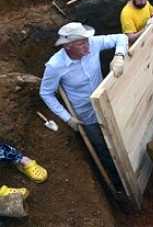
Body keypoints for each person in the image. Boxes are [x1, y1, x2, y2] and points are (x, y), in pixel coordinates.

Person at [39, 22, 128, 190]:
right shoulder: (55, 66)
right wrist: (67, 118)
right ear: (68, 47)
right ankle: (118, 183)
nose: (88, 46)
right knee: (103, 149)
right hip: (86, 117)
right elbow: (46, 93)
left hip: (106, 106)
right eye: (81, 44)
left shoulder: (92, 43)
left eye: (87, 41)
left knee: (119, 139)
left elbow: (121, 37)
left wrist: (119, 56)